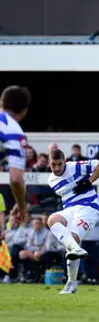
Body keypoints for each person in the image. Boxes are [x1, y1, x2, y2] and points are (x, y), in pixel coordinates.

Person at [46, 150, 99, 294]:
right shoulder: (51, 180)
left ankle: (71, 282)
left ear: (65, 161)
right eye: (53, 165)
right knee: (52, 219)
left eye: (59, 164)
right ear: (49, 163)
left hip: (88, 209)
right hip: (70, 209)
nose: (56, 168)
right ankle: (75, 251)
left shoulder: (75, 166)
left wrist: (88, 181)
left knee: (72, 239)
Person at [0, 86, 30, 225]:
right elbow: (16, 179)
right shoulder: (13, 131)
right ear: (24, 112)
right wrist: (22, 206)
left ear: (1, 103)